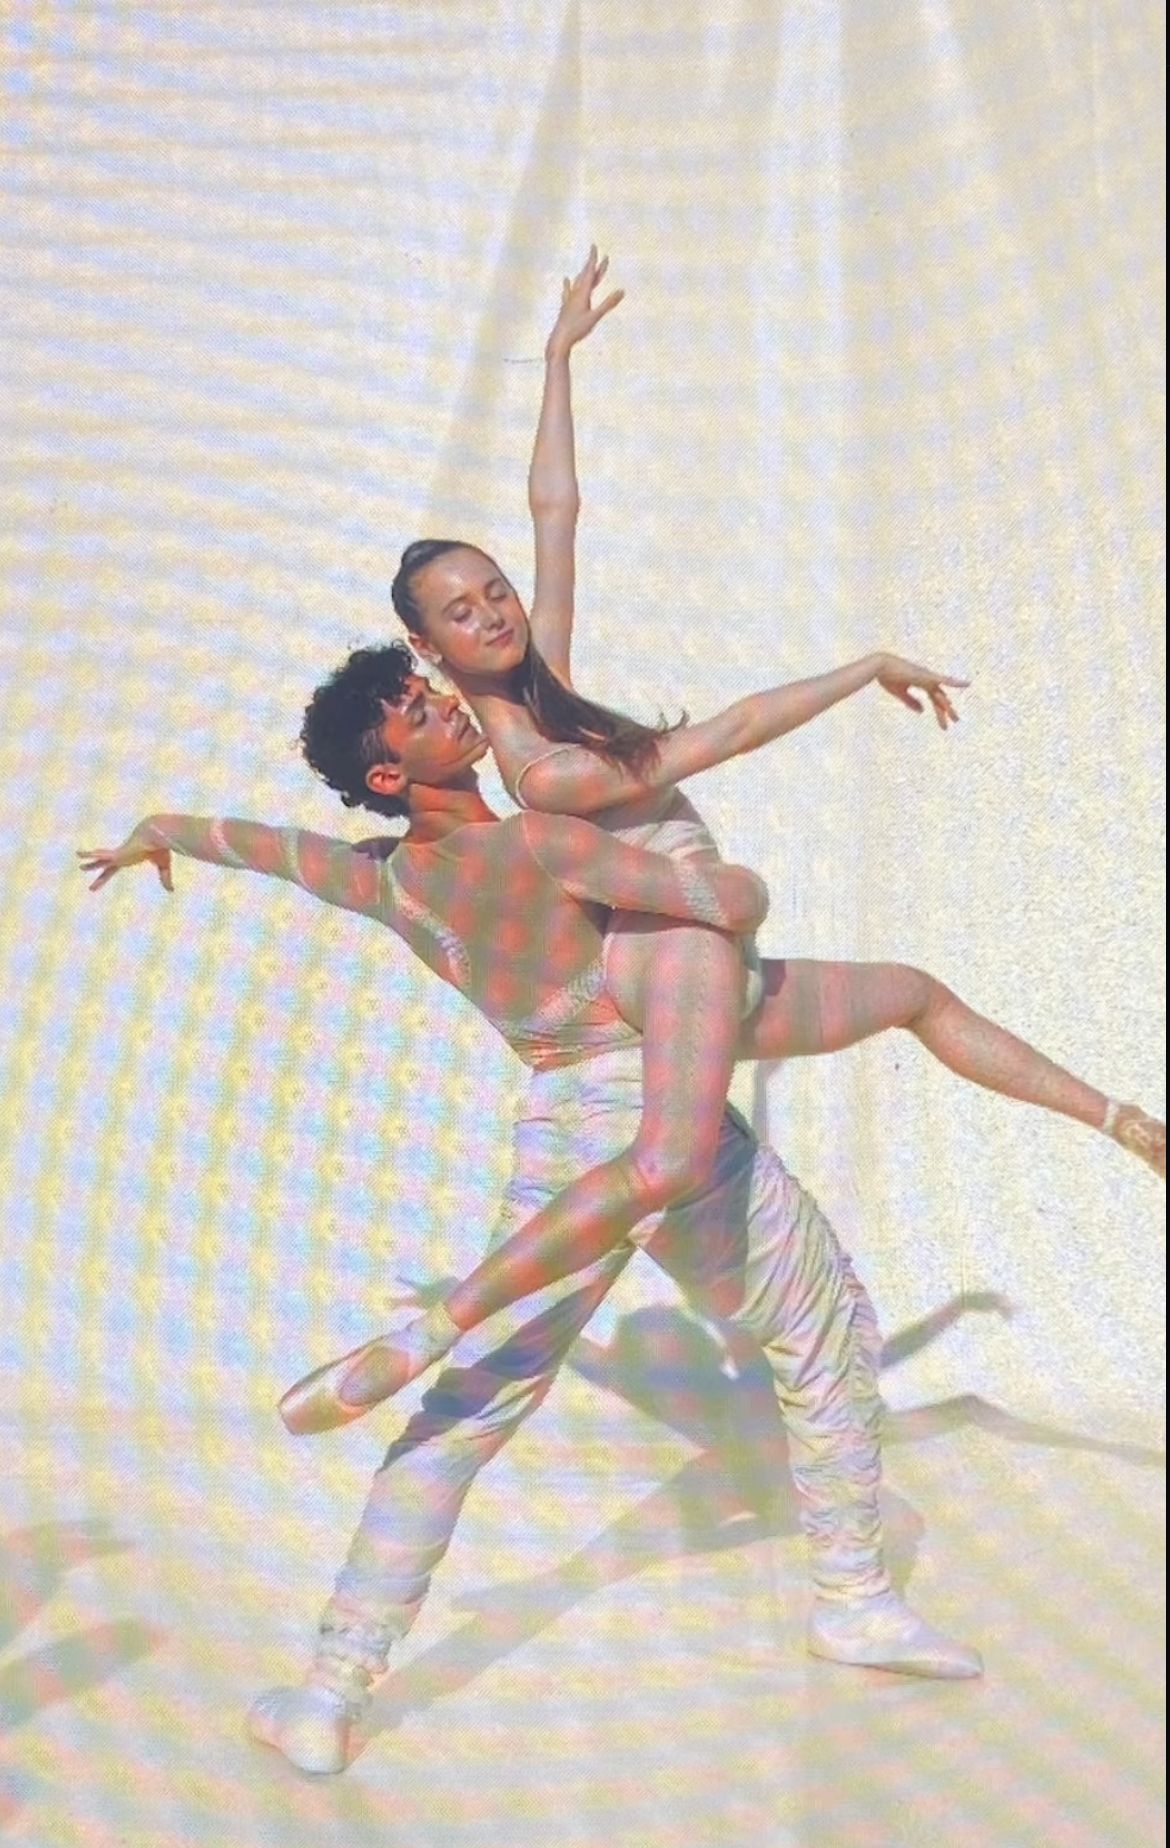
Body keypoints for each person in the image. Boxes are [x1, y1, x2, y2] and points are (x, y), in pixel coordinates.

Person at [279, 250, 1162, 1420]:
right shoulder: (541, 767)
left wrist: (554, 360)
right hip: (674, 960)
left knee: (912, 993)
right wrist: (857, 673)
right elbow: (731, 732)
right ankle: (424, 1337)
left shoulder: (542, 690)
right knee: (668, 1172)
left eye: (494, 590)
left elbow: (559, 512)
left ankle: (1125, 1123)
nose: (496, 609)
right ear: (430, 650)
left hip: (711, 958)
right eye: (462, 611)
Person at [80, 653, 989, 1779]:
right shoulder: (538, 839)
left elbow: (255, 846)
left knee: (469, 1411)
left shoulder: (384, 885)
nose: (445, 704)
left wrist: (155, 831)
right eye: (417, 710)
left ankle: (329, 1688)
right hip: (658, 1096)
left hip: (559, 1123)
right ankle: (851, 1596)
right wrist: (723, 879)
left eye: (431, 690)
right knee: (822, 1330)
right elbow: (726, 904)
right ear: (387, 767)